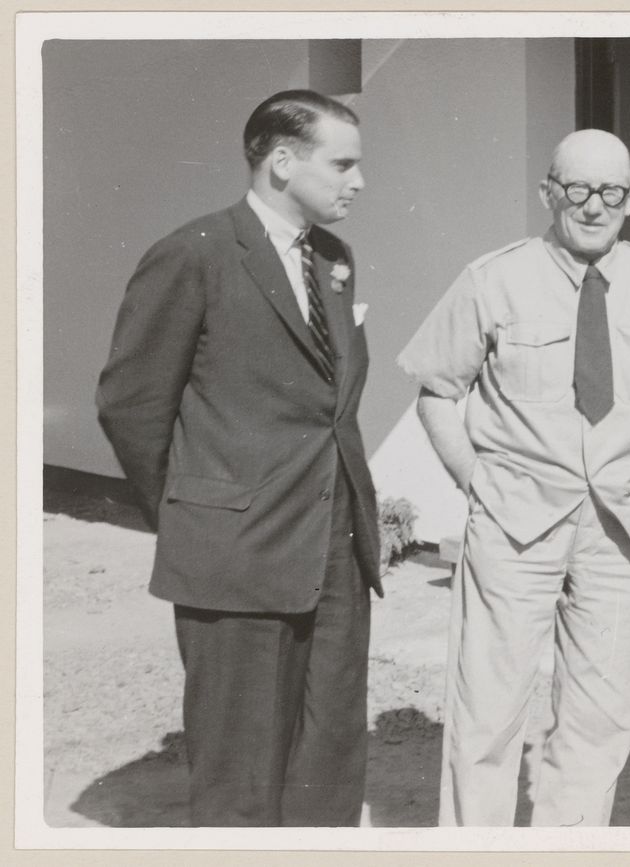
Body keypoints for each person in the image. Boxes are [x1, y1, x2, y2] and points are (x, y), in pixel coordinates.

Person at [398, 128, 630, 827]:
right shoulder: (492, 279)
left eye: (613, 192)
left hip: (622, 527)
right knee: (488, 714)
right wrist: (476, 481)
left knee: (600, 718)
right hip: (515, 522)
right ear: (549, 192)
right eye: (578, 189)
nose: (595, 206)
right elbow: (437, 392)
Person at [96, 90, 379, 826]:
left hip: (335, 549)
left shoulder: (333, 259)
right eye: (342, 163)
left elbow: (328, 403)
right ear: (282, 161)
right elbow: (132, 404)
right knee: (240, 771)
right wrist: (201, 512)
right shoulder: (195, 253)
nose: (357, 181)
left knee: (328, 759)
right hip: (237, 557)